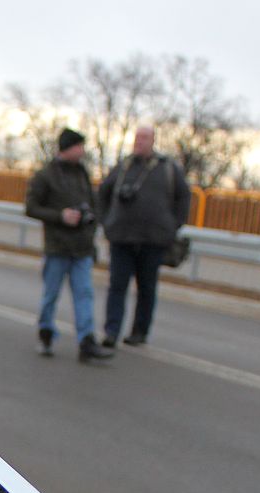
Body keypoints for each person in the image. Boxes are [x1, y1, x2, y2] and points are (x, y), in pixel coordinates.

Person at [97, 125, 192, 347]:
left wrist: (172, 226)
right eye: (137, 137)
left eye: (144, 138)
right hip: (122, 237)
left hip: (153, 240)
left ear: (153, 141)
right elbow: (103, 193)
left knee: (147, 288)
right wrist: (106, 222)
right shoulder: (123, 166)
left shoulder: (167, 168)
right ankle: (112, 331)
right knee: (117, 286)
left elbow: (184, 196)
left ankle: (140, 331)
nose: (139, 141)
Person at [25, 128, 114, 363]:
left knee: (84, 294)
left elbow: (94, 205)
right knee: (51, 295)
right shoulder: (47, 175)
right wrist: (60, 216)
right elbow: (31, 207)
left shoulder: (82, 173)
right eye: (79, 146)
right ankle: (46, 332)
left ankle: (86, 341)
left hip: (81, 247)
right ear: (67, 147)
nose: (82, 151)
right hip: (57, 247)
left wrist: (90, 222)